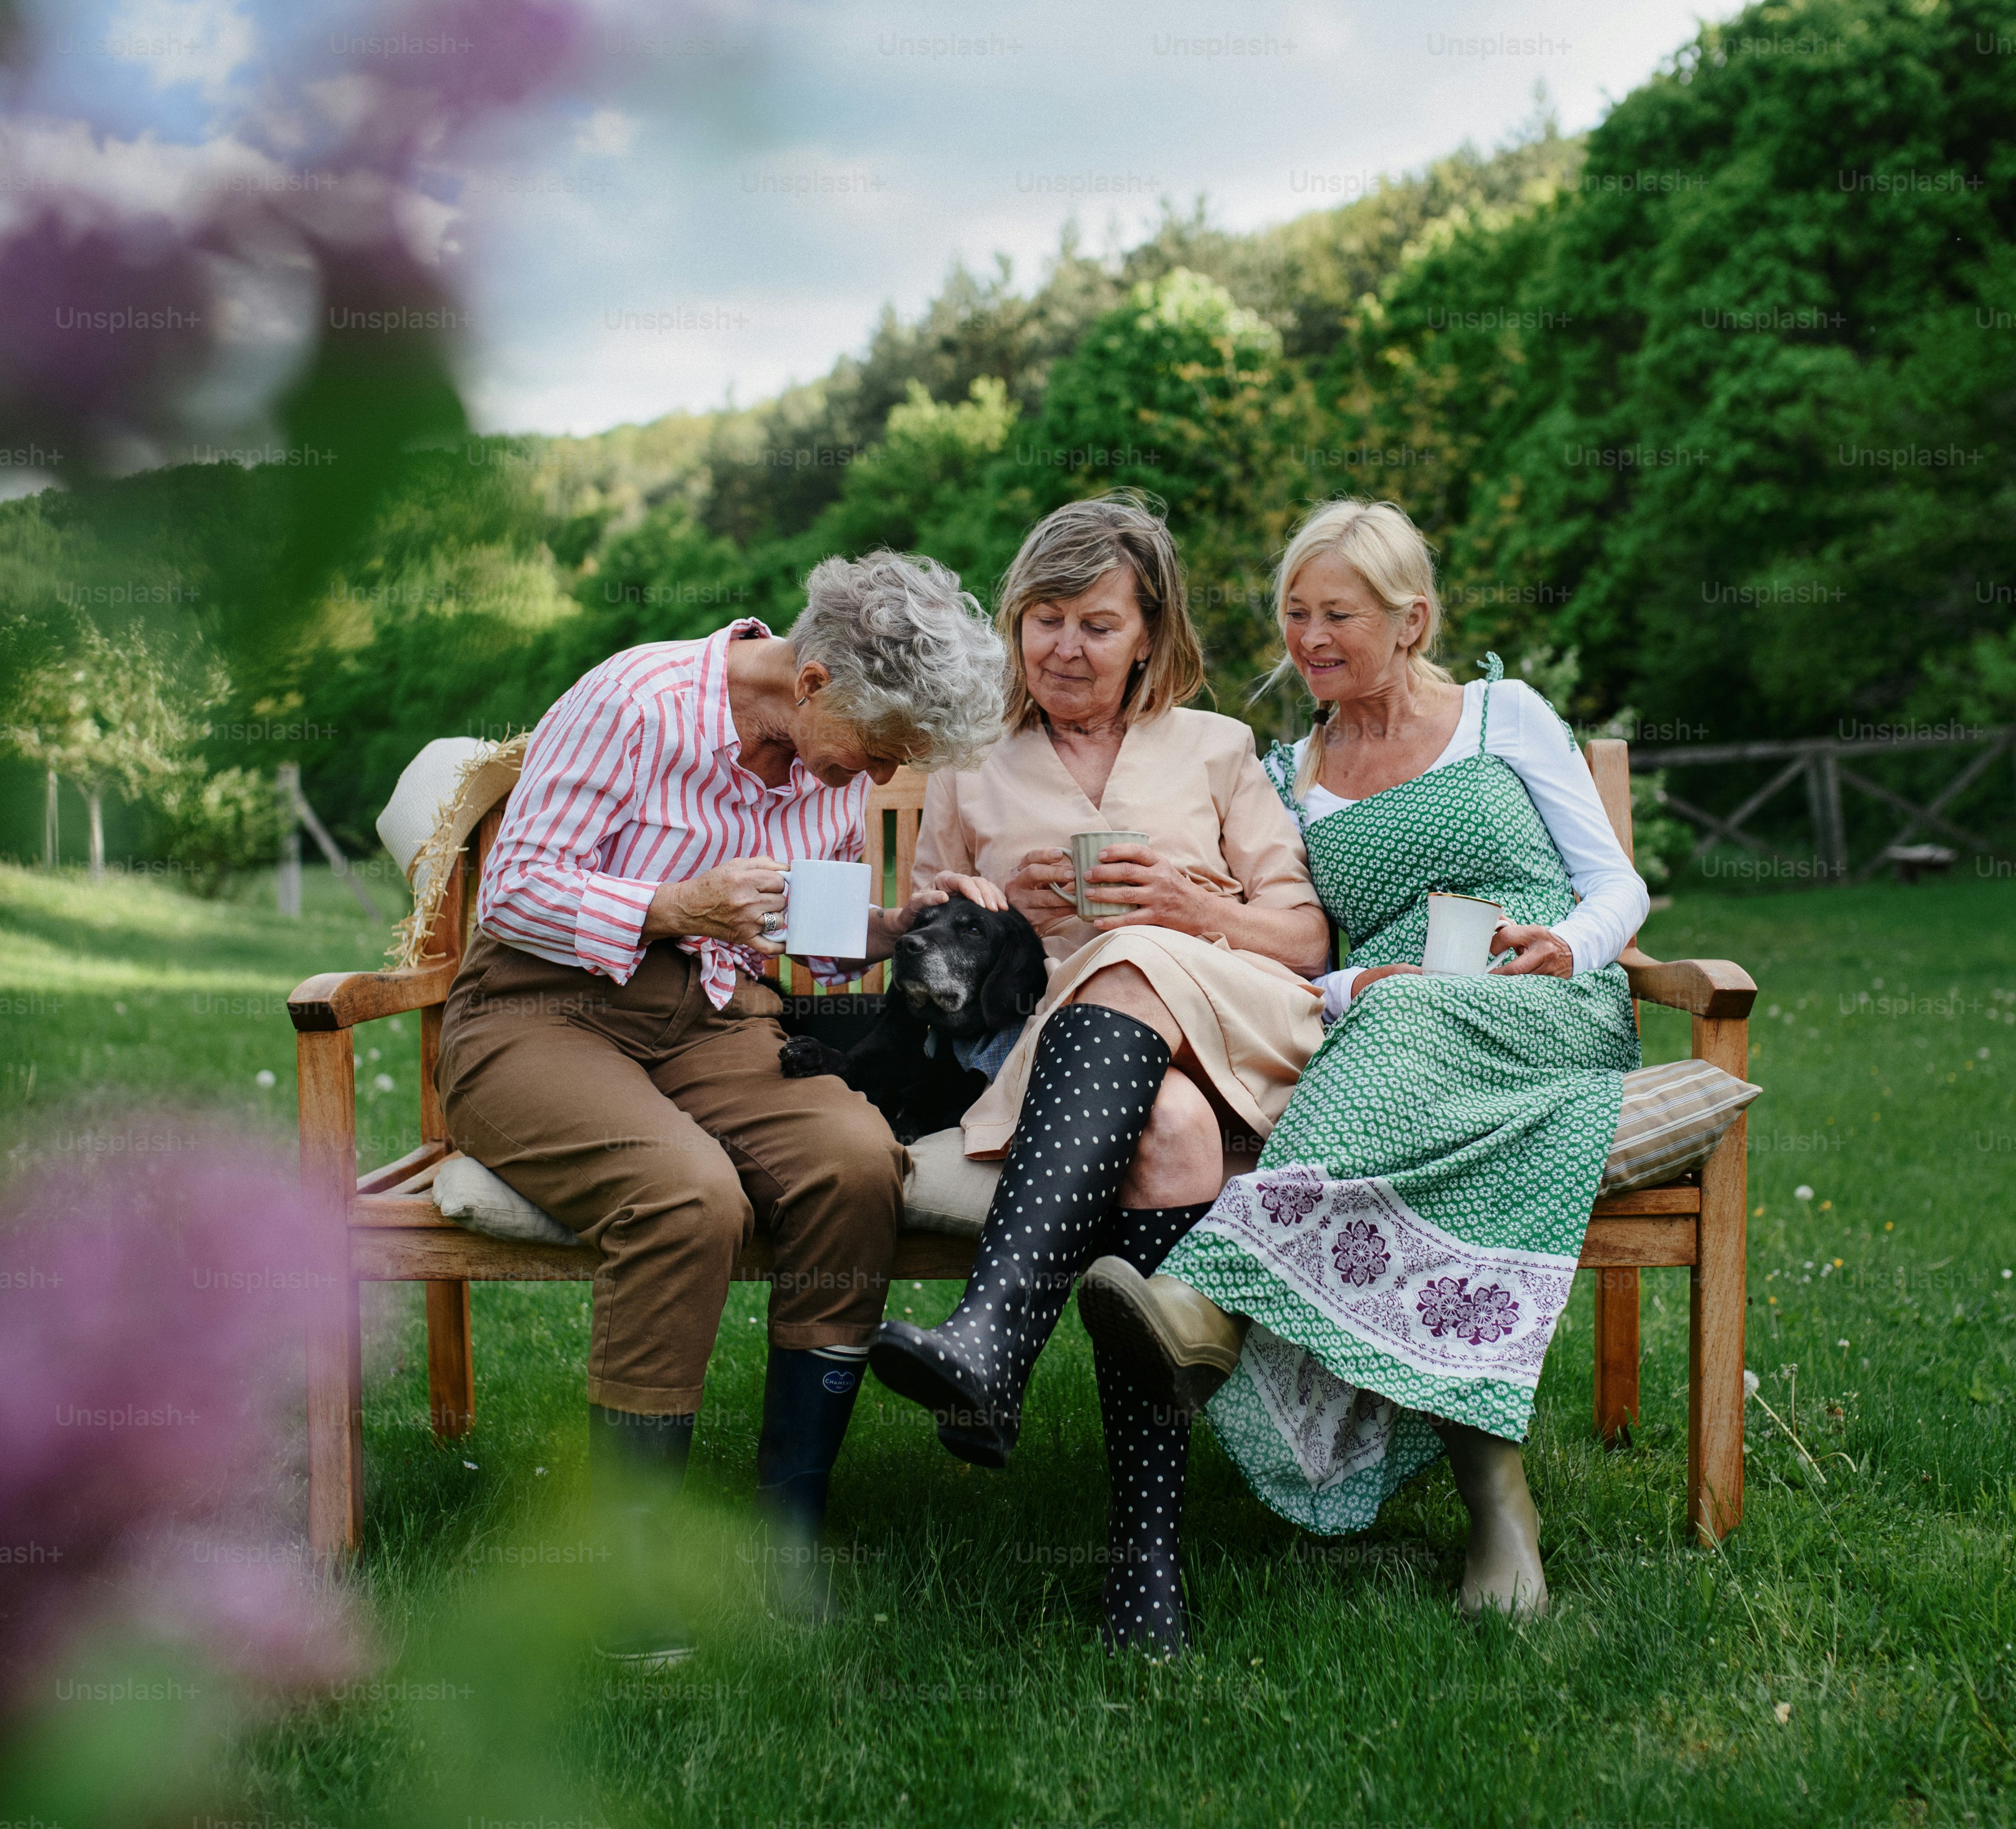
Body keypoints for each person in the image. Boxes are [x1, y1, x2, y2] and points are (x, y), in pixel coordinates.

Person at [1078, 498, 1650, 1642]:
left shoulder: (1503, 715)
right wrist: (1352, 990)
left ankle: (1214, 1295)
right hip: (1381, 1026)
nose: (1309, 637)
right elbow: (1312, 956)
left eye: (1337, 612)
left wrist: (1569, 947)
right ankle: (1499, 1502)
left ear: (1411, 618)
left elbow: (1618, 886)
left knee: (1393, 1042)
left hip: (1541, 997)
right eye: (1294, 613)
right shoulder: (1290, 774)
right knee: (1390, 1043)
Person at [437, 553, 1004, 1660]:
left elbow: (812, 942)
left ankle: (787, 1523)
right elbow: (514, 889)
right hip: (536, 1011)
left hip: (714, 1018)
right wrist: (671, 902)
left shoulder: (830, 766)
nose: (879, 772)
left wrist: (897, 927)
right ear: (817, 677)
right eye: (880, 746)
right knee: (685, 1191)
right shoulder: (634, 702)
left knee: (855, 1158)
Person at [869, 492, 1330, 1653]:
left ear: (1149, 633)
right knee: (1166, 1133)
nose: (1064, 647)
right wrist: (977, 909)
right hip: (1060, 1049)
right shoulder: (974, 763)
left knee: (1131, 956)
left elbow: (1304, 936)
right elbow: (927, 947)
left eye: (1095, 623)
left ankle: (993, 1337)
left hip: (1223, 1009)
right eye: (1043, 618)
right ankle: (1146, 1562)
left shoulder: (1219, 749)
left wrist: (1188, 906)